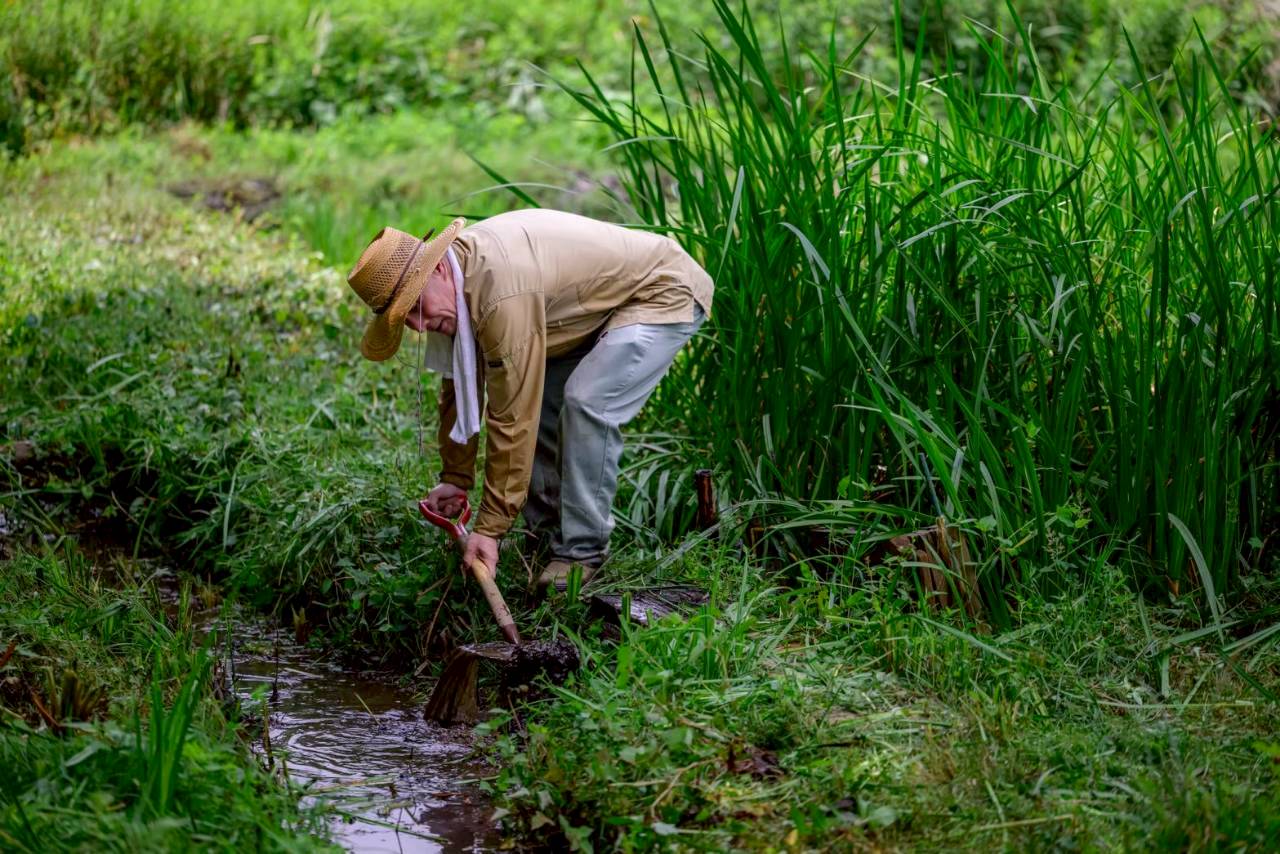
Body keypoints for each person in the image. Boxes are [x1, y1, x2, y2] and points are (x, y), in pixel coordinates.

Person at [346, 209, 713, 590]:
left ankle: (582, 553)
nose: (418, 326)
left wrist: (489, 528)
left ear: (435, 271)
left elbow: (513, 415)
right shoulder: (452, 286)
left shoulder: (498, 292)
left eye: (415, 308)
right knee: (547, 404)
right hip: (581, 312)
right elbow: (459, 388)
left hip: (660, 291)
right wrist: (456, 478)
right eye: (404, 318)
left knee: (586, 402)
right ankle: (545, 538)